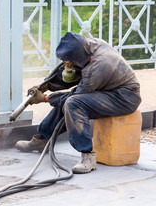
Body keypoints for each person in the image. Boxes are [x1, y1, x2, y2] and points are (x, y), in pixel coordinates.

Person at [15, 32, 141, 174]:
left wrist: (45, 98)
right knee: (69, 102)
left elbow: (75, 95)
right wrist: (46, 85)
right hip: (106, 88)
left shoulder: (100, 66)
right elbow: (72, 72)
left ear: (79, 58)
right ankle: (42, 139)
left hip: (124, 97)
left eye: (70, 61)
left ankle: (88, 157)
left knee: (73, 103)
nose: (67, 65)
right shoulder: (87, 48)